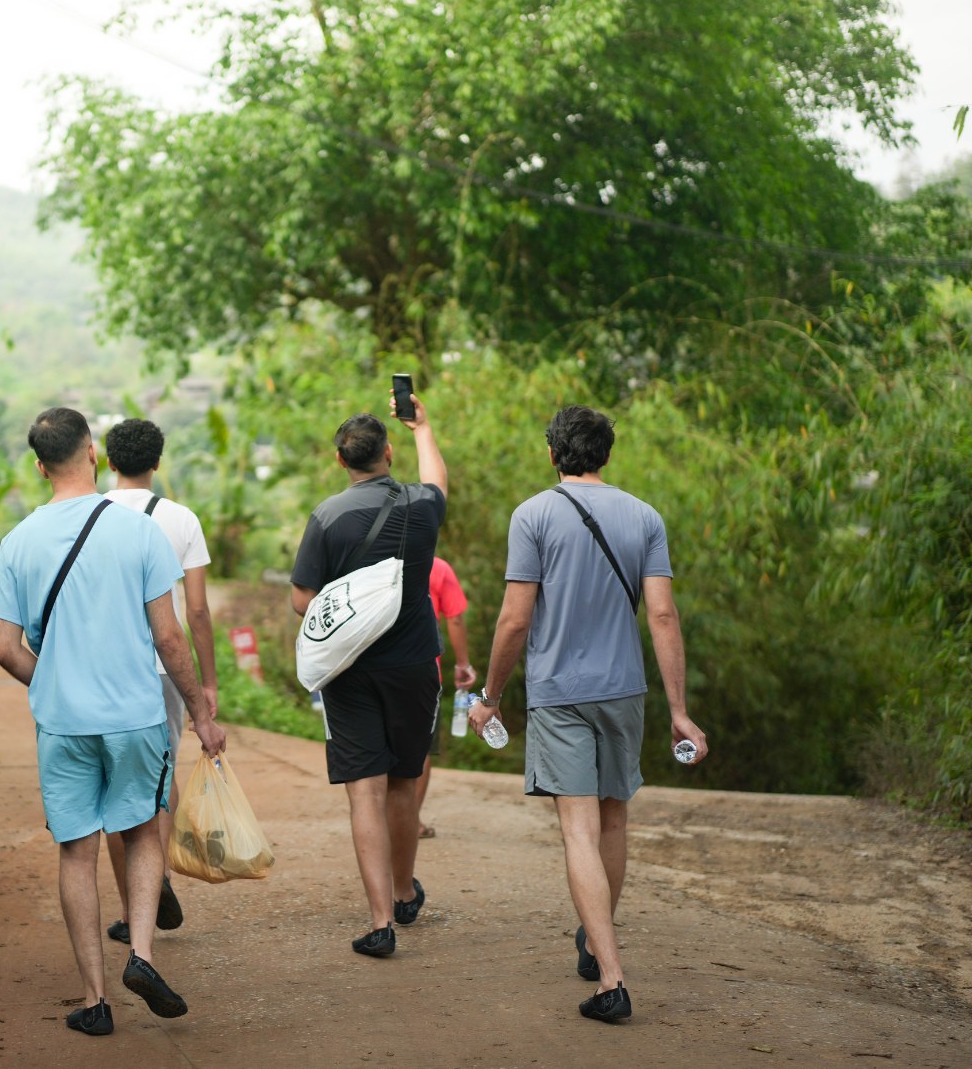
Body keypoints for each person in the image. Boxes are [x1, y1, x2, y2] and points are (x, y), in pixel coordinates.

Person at [0, 407, 226, 1037]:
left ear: (39, 466)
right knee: (143, 831)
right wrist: (201, 712)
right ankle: (141, 954)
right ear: (92, 452)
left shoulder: (18, 541)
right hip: (134, 716)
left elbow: (5, 648)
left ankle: (94, 1000)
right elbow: (170, 638)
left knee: (76, 851)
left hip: (63, 722)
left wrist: (58, 683)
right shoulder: (137, 532)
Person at [471, 405, 708, 1023]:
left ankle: (611, 979)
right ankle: (595, 933)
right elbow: (662, 616)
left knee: (577, 830)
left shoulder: (535, 515)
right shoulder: (644, 517)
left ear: (553, 454)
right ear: (606, 453)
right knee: (613, 822)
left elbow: (515, 619)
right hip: (625, 691)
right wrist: (679, 710)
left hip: (559, 694)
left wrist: (491, 697)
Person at [290, 395, 447, 958]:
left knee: (366, 792)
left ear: (341, 461)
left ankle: (380, 921)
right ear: (387, 452)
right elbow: (437, 478)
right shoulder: (423, 506)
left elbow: (302, 599)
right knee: (404, 784)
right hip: (413, 666)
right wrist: (422, 427)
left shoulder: (328, 516)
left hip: (351, 673)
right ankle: (405, 893)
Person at [99, 417, 219, 946]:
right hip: (161, 670)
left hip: (102, 667)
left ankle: (132, 908)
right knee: (159, 771)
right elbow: (196, 610)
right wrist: (207, 684)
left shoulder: (88, 514)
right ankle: (159, 881)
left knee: (112, 784)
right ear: (157, 462)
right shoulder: (180, 518)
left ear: (106, 461)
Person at [415, 557, 476, 838]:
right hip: (423, 668)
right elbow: (455, 617)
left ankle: (380, 819)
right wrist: (462, 664)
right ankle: (410, 821)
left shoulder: (376, 557)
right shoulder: (437, 567)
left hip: (374, 669)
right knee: (420, 747)